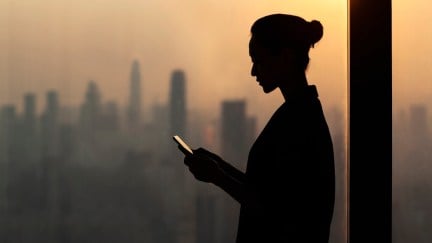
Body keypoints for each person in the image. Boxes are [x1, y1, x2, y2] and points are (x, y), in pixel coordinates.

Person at [180, 13, 335, 243]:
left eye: (258, 61)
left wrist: (218, 176)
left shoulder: (298, 122)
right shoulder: (300, 114)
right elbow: (268, 192)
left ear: (285, 56)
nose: (254, 71)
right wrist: (220, 168)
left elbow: (276, 210)